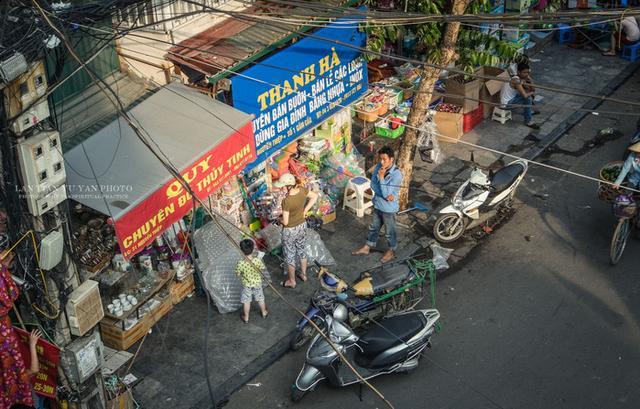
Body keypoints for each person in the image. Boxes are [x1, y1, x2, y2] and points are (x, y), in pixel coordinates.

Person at [352, 146, 403, 263]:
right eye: (380, 159)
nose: (381, 162)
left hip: (389, 209)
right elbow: (373, 185)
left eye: (384, 159)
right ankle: (367, 247)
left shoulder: (396, 175)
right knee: (373, 228)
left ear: (391, 159)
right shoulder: (380, 167)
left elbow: (386, 193)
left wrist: (381, 178)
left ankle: (391, 250)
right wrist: (384, 194)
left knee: (390, 232)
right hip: (378, 204)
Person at [274, 173, 318, 289]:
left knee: (290, 255)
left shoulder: (287, 201)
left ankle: (292, 281)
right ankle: (304, 275)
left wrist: (279, 219)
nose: (281, 188)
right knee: (301, 250)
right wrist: (305, 210)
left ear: (287, 186)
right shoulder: (302, 190)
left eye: (282, 186)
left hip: (289, 231)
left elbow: (286, 222)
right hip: (302, 226)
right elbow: (315, 196)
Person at [235, 239, 268, 323]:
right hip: (257, 284)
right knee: (260, 298)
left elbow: (237, 274)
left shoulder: (240, 263)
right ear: (253, 249)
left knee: (246, 301)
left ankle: (246, 317)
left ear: (241, 251)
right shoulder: (257, 260)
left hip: (247, 285)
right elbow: (262, 268)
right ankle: (264, 312)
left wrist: (242, 273)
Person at [500, 62, 540, 130]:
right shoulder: (516, 80)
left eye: (528, 72)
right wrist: (532, 92)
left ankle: (528, 111)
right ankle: (528, 121)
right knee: (528, 99)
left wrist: (530, 80)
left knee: (528, 93)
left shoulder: (520, 78)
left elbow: (531, 88)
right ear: (518, 72)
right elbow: (525, 95)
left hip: (511, 98)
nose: (526, 74)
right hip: (506, 104)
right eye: (524, 72)